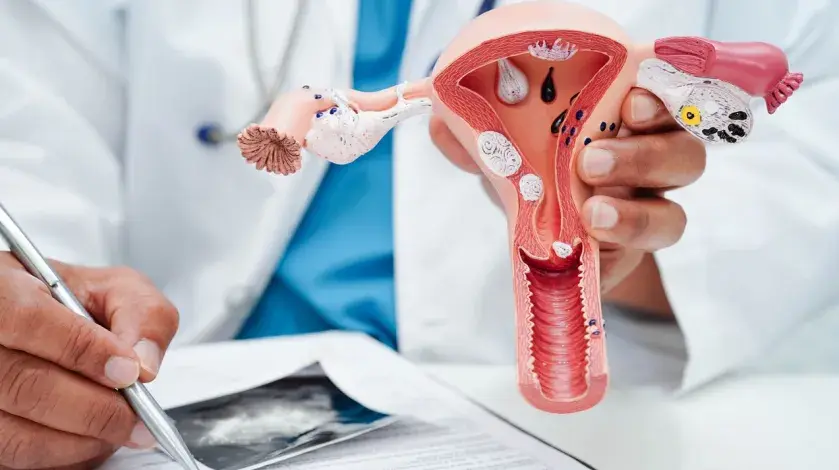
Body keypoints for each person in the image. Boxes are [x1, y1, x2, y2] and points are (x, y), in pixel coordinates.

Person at [0, 0, 836, 468]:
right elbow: (26, 136)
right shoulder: (453, 90)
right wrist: (26, 313)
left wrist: (620, 221)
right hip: (190, 386)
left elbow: (806, 149)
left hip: (602, 419)